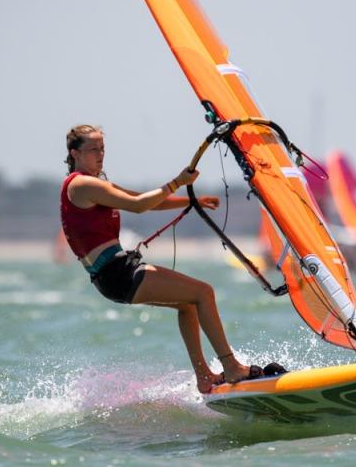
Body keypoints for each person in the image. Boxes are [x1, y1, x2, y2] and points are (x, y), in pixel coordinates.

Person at [60, 124, 255, 393]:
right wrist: (178, 182)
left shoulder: (95, 185)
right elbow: (139, 206)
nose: (100, 154)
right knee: (204, 293)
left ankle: (205, 377)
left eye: (102, 148)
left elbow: (143, 199)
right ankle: (232, 367)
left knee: (188, 305)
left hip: (113, 275)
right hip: (117, 273)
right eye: (93, 149)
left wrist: (191, 200)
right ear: (75, 153)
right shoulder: (82, 184)